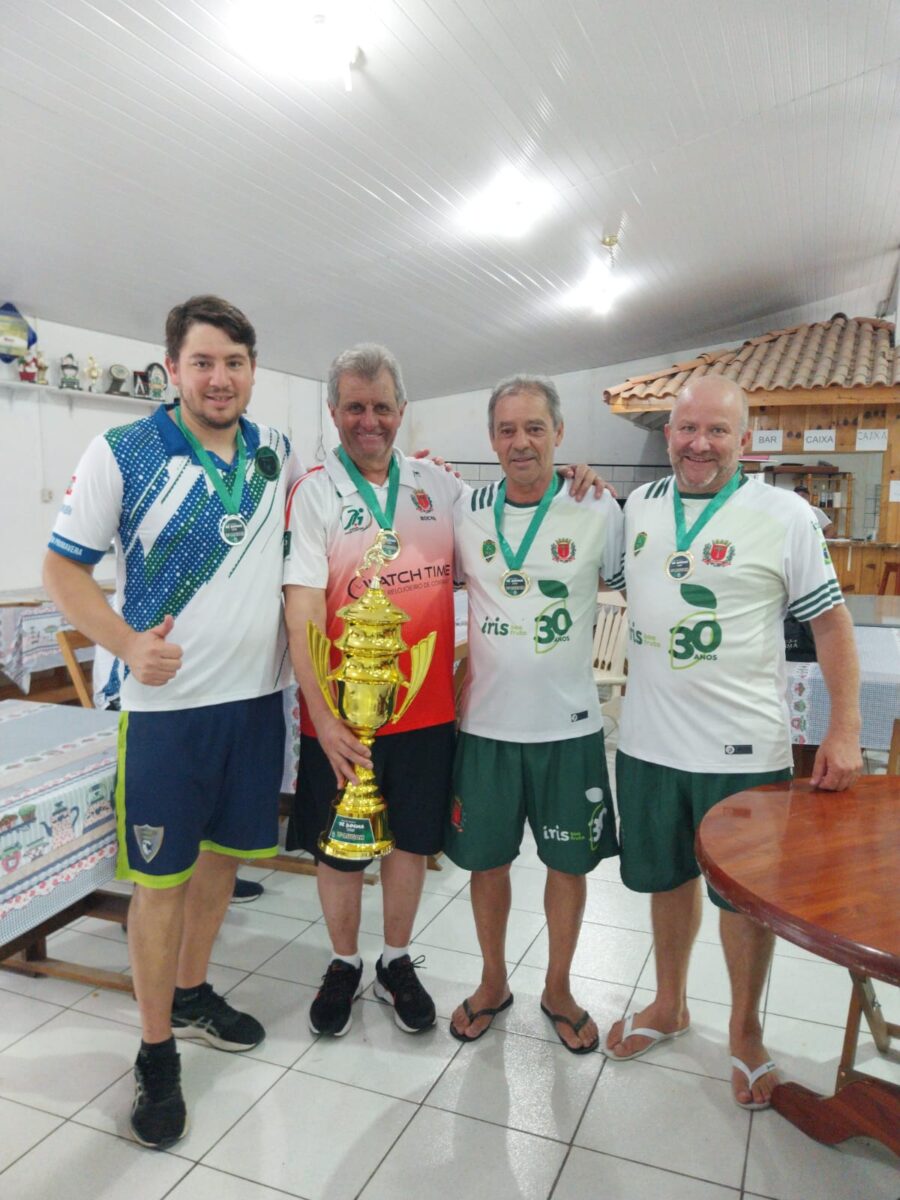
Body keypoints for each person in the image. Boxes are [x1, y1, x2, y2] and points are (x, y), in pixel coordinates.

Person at [283, 345, 602, 1039]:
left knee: (409, 842)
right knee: (339, 848)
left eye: (382, 407)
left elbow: (522, 510)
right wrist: (322, 714)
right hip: (341, 719)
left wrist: (577, 479)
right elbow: (301, 608)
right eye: (355, 408)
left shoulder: (442, 489)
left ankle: (396, 960)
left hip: (426, 714)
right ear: (334, 413)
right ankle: (343, 962)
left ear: (402, 412)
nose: (370, 421)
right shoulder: (313, 493)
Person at [43, 295, 301, 1150]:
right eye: (203, 362)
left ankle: (191, 995)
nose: (220, 376)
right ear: (173, 370)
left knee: (223, 864)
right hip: (164, 714)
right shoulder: (123, 451)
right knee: (159, 885)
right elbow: (62, 570)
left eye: (234, 360)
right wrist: (122, 642)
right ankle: (155, 1051)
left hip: (256, 706)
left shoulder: (276, 453)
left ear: (252, 369)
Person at [603, 375, 861, 1108]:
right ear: (669, 435)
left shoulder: (786, 515)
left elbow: (831, 624)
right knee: (663, 880)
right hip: (649, 744)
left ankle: (746, 1033)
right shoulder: (640, 508)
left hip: (743, 753)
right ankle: (669, 1003)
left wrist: (843, 730)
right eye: (687, 429)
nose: (699, 444)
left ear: (744, 440)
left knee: (744, 904)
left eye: (718, 431)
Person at [445, 376, 624, 1052]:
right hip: (486, 729)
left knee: (567, 866)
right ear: (492, 439)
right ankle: (493, 981)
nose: (521, 442)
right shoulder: (465, 508)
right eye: (507, 430)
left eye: (534, 428)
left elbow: (646, 585)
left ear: (559, 434)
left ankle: (558, 986)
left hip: (570, 728)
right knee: (485, 865)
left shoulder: (599, 509)